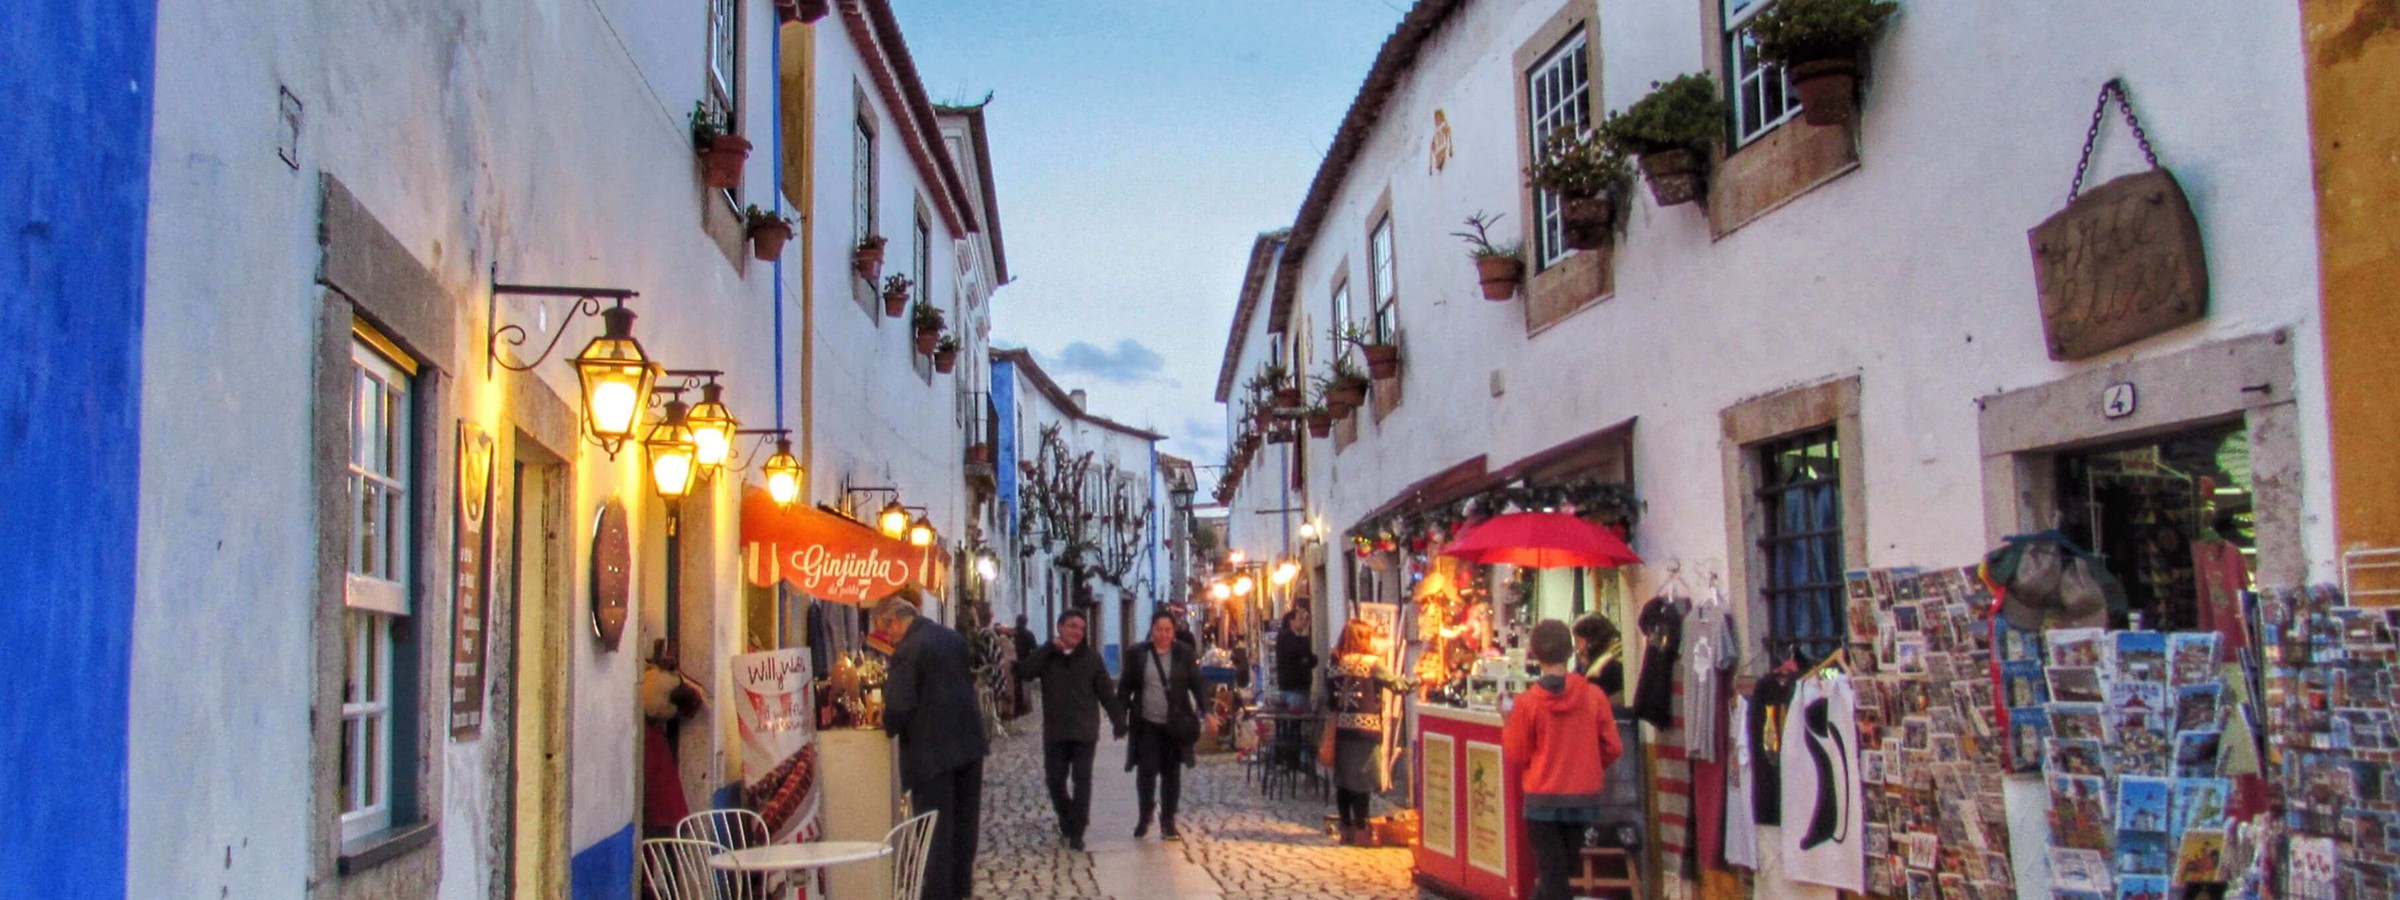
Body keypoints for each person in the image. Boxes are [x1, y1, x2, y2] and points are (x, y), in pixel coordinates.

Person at [876, 594, 990, 900]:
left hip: (932, 752)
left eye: (887, 632)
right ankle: (960, 889)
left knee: (935, 829)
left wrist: (887, 723)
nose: (888, 638)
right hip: (968, 743)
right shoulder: (950, 637)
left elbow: (899, 705)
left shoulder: (909, 649)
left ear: (896, 622)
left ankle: (939, 894)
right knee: (964, 824)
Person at [1505, 619, 1625, 900]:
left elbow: (1516, 752)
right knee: (1557, 873)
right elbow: (1613, 746)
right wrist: (1589, 764)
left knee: (1552, 876)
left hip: (1542, 799)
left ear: (1534, 654)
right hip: (1582, 798)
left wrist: (1507, 722)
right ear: (1570, 651)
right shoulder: (1593, 696)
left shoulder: (1527, 703)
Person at [1014, 610, 1126, 851]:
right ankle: (1066, 816)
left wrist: (1118, 719)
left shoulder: (1091, 658)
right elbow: (1025, 672)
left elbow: (1105, 691)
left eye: (1081, 628)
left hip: (1084, 730)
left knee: (1082, 779)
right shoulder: (1048, 657)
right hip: (1056, 730)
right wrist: (1047, 650)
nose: (1077, 632)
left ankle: (1078, 829)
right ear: (1060, 627)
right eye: (1072, 626)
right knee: (1054, 780)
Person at [1118, 611, 1208, 840]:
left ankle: (1168, 820)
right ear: (1152, 629)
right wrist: (1119, 715)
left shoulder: (1184, 654)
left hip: (1174, 724)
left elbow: (1196, 683)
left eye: (1168, 630)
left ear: (1174, 632)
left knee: (1171, 773)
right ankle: (1145, 812)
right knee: (1146, 771)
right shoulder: (1137, 654)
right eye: (1159, 629)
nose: (1163, 634)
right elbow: (1126, 686)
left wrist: (1207, 711)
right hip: (1146, 722)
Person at [1327, 619, 1411, 844]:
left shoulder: (1335, 663)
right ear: (1362, 639)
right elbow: (1397, 684)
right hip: (1365, 730)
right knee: (1362, 781)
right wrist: (1418, 681)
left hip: (1342, 731)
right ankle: (1362, 829)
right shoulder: (1372, 663)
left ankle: (1346, 828)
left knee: (1344, 780)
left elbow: (1330, 700)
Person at [1571, 614, 1626, 700]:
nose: (1576, 647)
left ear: (1592, 641)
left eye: (1578, 641)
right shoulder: (1585, 663)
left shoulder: (1609, 668)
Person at [1275, 605, 1319, 710]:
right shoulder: (1287, 637)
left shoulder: (1290, 637)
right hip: (1295, 689)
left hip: (1295, 688)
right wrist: (1304, 638)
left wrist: (1309, 659)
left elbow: (1309, 660)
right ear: (1291, 622)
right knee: (1297, 722)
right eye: (1300, 619)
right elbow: (1305, 656)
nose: (1304, 622)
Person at [1010, 614, 1038, 718]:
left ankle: (1014, 708)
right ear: (1026, 623)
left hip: (1012, 662)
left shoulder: (1012, 633)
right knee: (1024, 686)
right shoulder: (1029, 634)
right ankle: (1023, 707)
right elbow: (1035, 650)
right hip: (1024, 662)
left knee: (1014, 686)